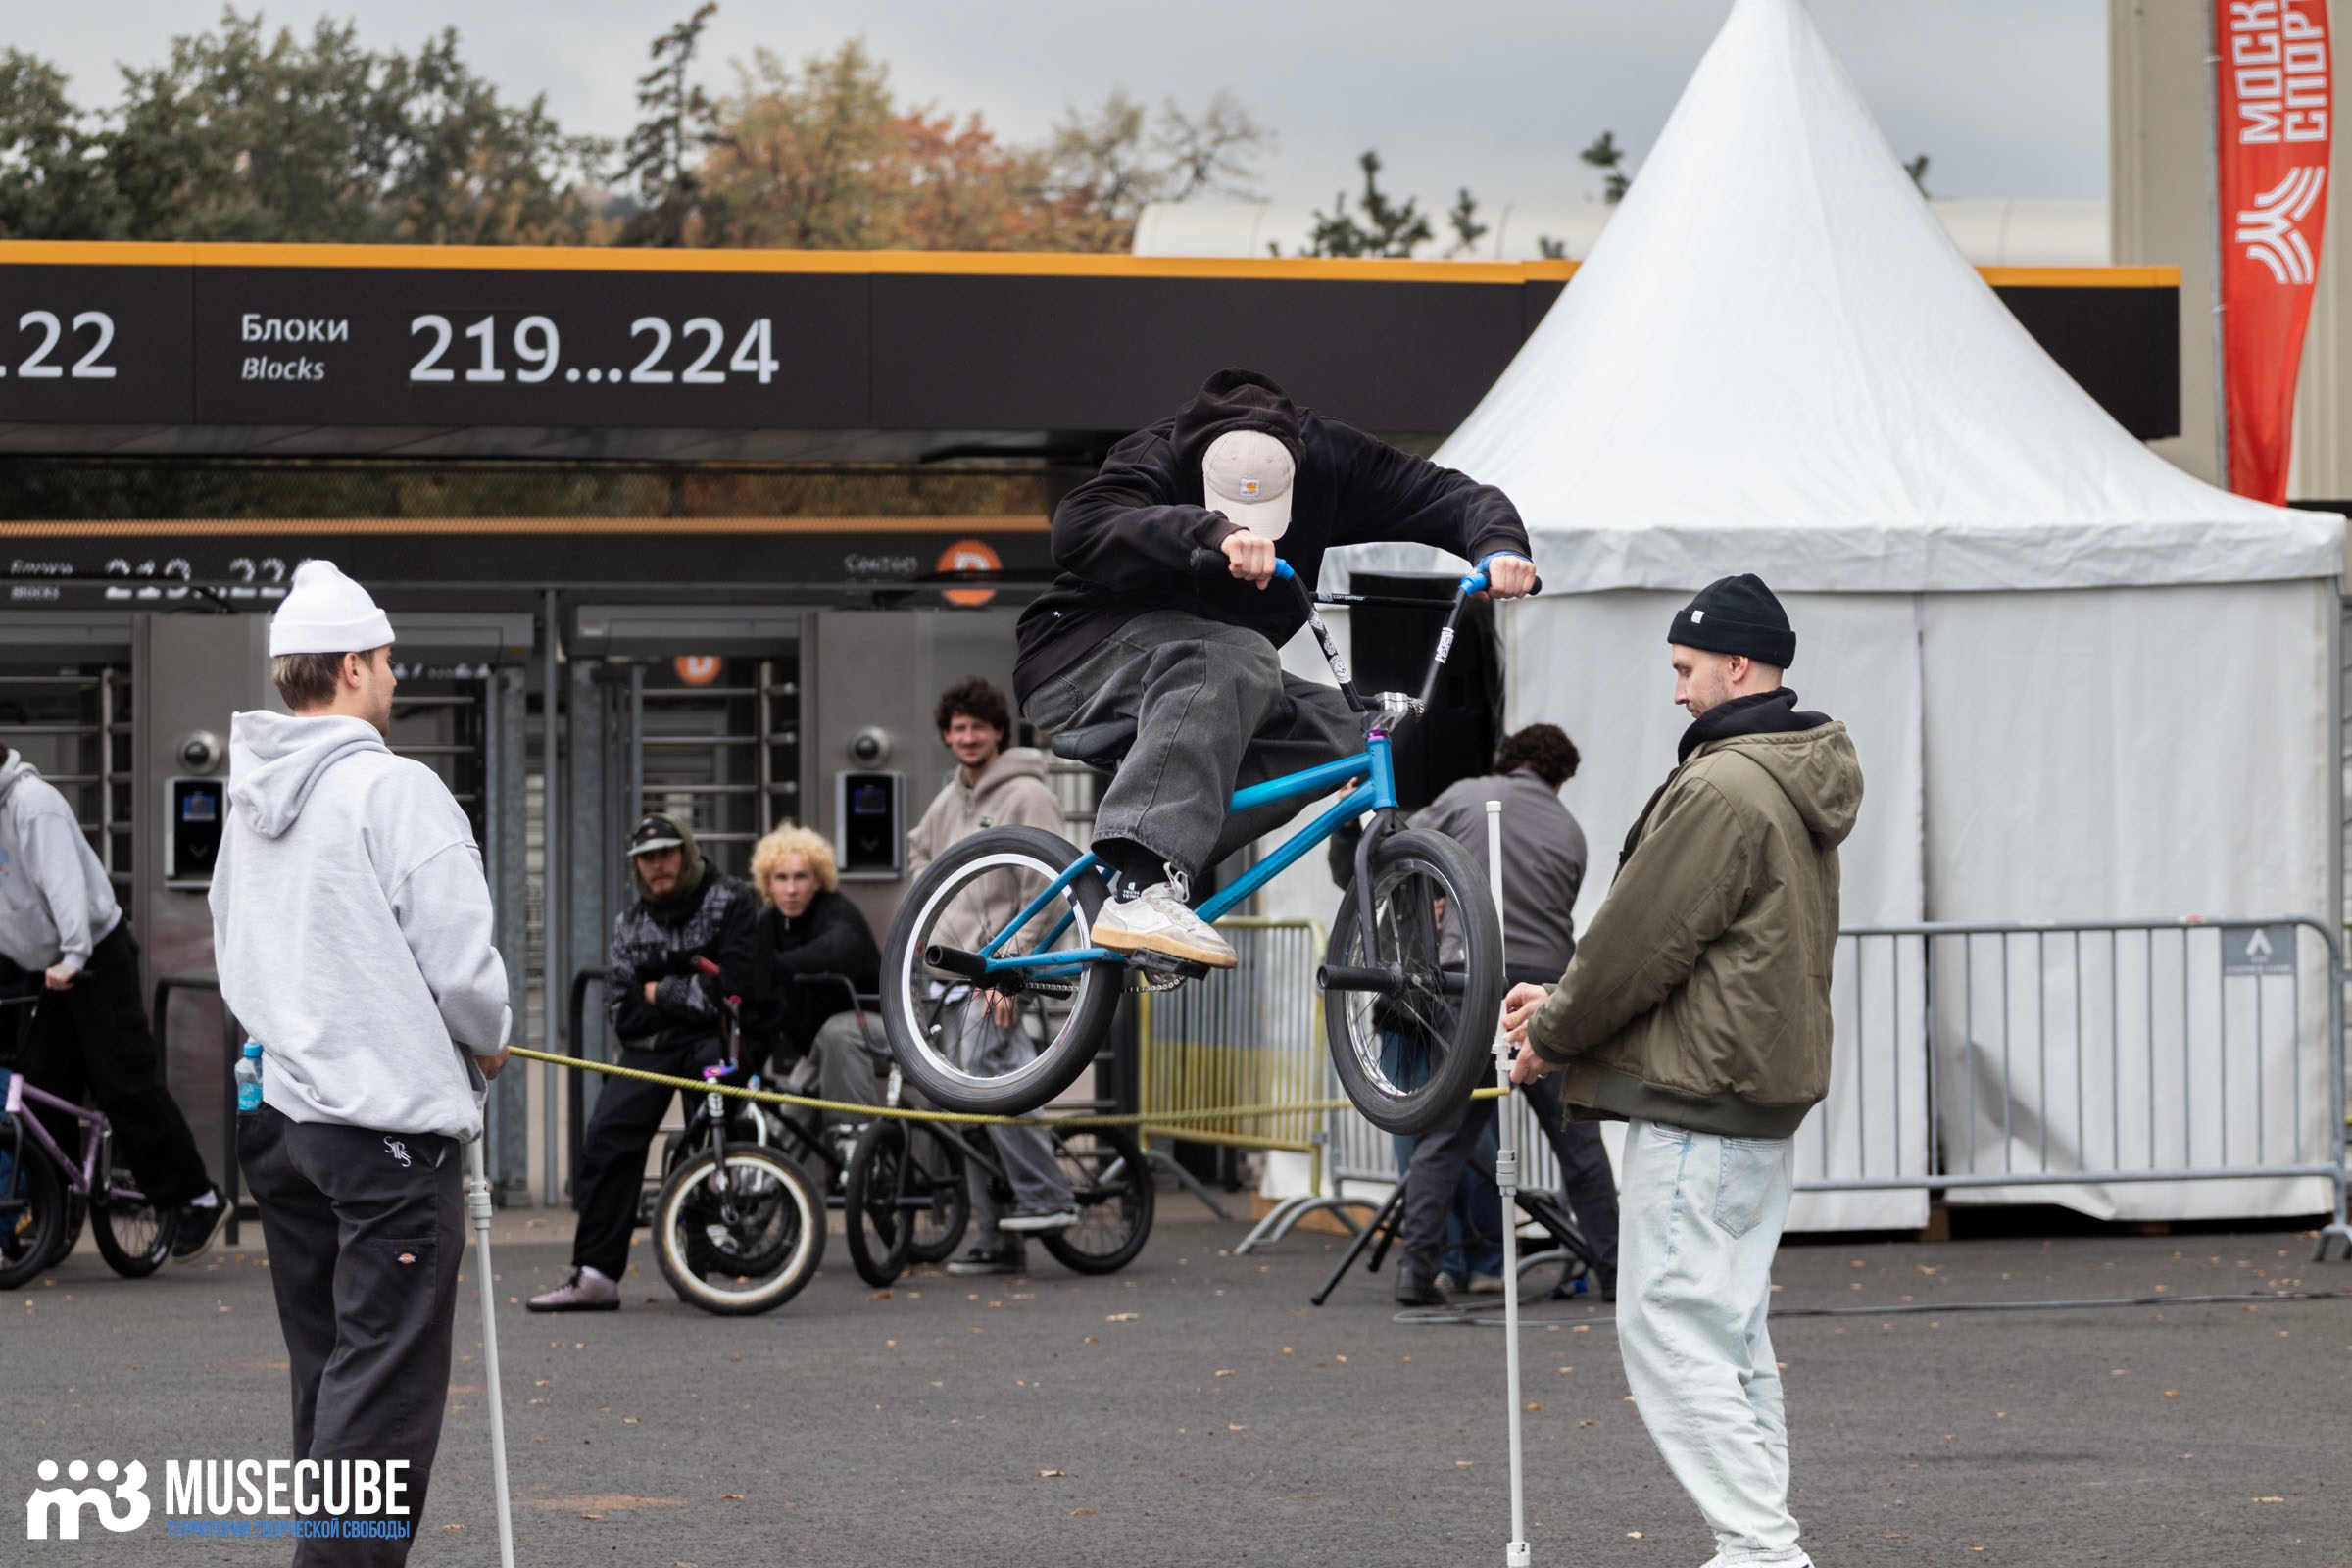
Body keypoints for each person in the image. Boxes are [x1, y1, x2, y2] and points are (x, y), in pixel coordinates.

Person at [1504, 575, 1861, 1568]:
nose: (1678, 690)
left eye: (1686, 668)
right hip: (1751, 1097)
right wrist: (1567, 1008)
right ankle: (1757, 1545)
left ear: (1736, 665)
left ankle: (1760, 1551)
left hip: (1696, 1097)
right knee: (1729, 1334)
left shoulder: (1722, 785)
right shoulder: (1789, 779)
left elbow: (1640, 939)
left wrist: (1559, 1028)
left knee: (1672, 1330)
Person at [1015, 367, 1536, 970]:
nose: (1254, 532)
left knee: (1347, 731)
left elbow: (1445, 493)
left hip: (1202, 674)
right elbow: (1078, 524)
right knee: (1237, 654)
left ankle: (1161, 864)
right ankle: (1142, 884)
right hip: (1080, 656)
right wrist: (1211, 532)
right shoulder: (1157, 457)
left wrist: (1499, 545)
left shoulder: (1334, 461)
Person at [212, 559, 513, 1563]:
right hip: (384, 1129)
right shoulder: (397, 789)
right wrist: (488, 1037)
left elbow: (231, 948)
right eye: (385, 658)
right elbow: (463, 965)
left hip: (286, 1122)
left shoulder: (250, 803)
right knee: (378, 1395)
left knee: (334, 1378)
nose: (394, 673)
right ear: (350, 666)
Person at [1391, 723, 1620, 1306]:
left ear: (1509, 760)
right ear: (1560, 777)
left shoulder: (1466, 795)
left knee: (1444, 1137)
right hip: (1546, 992)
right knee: (1579, 1142)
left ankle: (1415, 1274)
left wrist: (1432, 907)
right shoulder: (1569, 831)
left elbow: (1399, 848)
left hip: (1469, 982)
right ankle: (1616, 1273)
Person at [528, 810, 760, 1312]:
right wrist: (690, 990)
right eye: (646, 859)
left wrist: (658, 990)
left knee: (719, 1130)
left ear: (688, 852)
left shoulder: (733, 901)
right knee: (608, 1137)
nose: (658, 866)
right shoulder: (630, 923)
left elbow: (737, 988)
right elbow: (622, 1010)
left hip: (716, 1041)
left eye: (667, 853)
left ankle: (725, 1247)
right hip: (650, 1048)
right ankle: (594, 1275)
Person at [1, 748, 223, 1260]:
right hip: (40, 964)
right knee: (40, 1090)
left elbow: (66, 889)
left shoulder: (34, 804)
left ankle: (196, 1196)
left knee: (122, 1080)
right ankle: (53, 1216)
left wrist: (75, 956)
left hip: (93, 954)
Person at [904, 676, 1079, 1275]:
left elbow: (1054, 887)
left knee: (992, 1081)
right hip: (951, 976)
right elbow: (919, 851)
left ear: (999, 730)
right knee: (965, 1104)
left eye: (978, 726)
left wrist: (1016, 962)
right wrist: (927, 914)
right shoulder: (950, 798)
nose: (968, 737)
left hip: (1002, 972)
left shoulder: (1027, 795)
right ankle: (996, 1238)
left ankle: (1048, 1198)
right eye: (958, 729)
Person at [747, 822, 883, 1163]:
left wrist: (773, 965)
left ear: (819, 880)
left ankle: (862, 1157)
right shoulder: (767, 924)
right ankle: (759, 1202)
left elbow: (837, 952)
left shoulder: (838, 912)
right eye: (781, 878)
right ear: (768, 883)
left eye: (800, 877)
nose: (791, 889)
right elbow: (757, 993)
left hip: (876, 1030)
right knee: (785, 1127)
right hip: (817, 1049)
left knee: (838, 1031)